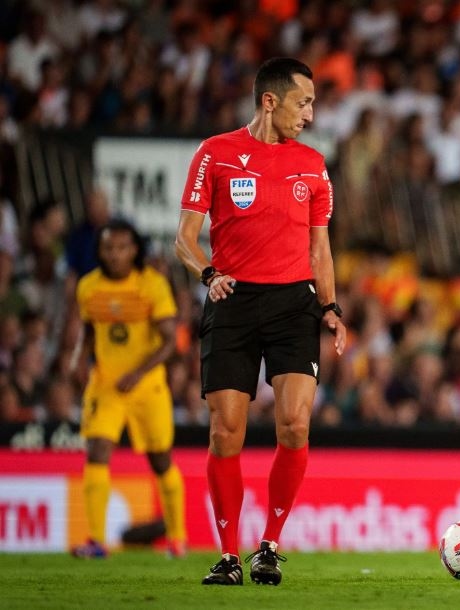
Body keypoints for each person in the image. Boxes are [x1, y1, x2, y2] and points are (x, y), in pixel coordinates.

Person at [175, 57, 347, 586]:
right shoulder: (215, 154)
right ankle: (228, 555)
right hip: (233, 302)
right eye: (304, 103)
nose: (311, 115)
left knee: (294, 424)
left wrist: (332, 308)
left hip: (295, 304)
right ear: (270, 101)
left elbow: (321, 249)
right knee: (227, 432)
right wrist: (208, 274)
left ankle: (269, 545)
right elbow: (184, 236)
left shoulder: (313, 165)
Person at [70, 219, 185, 559]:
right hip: (106, 384)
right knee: (97, 451)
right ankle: (95, 540)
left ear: (135, 249)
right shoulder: (88, 287)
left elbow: (168, 342)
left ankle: (177, 538)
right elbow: (90, 331)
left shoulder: (152, 286)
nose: (115, 254)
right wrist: (79, 357)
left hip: (147, 387)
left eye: (122, 247)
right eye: (108, 248)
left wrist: (138, 373)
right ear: (100, 250)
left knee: (160, 458)